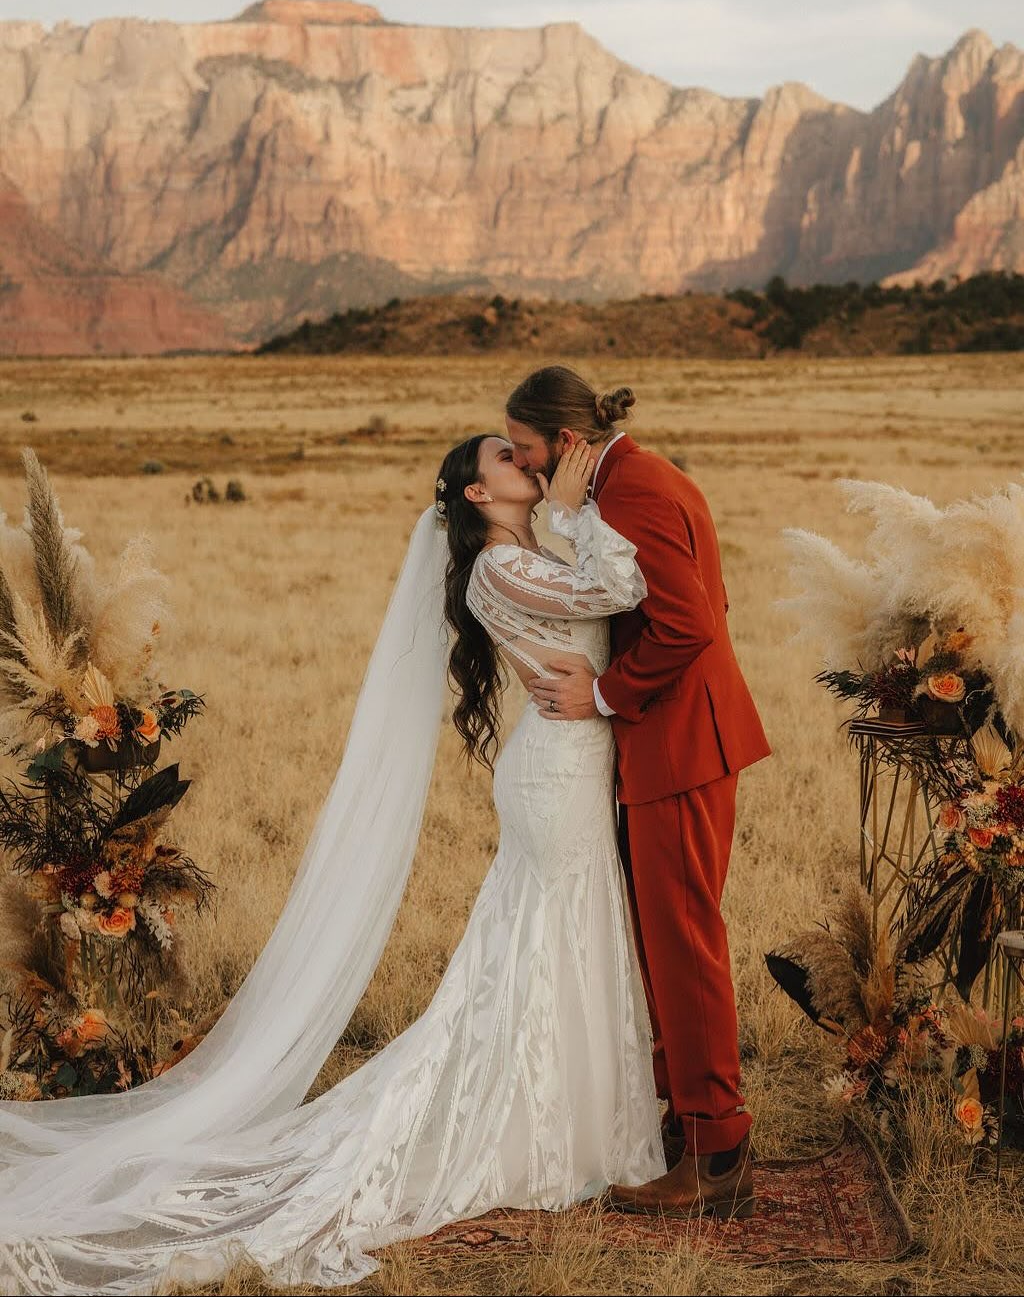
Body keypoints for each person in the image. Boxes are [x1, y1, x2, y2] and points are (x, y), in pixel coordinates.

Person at [0, 434, 666, 1296]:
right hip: (555, 776)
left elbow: (603, 598)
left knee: (560, 941)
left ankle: (579, 1117)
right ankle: (533, 1123)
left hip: (577, 764)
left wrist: (571, 520)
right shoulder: (498, 568)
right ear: (475, 495)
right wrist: (579, 508)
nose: (527, 460)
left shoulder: (537, 546)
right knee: (539, 948)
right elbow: (621, 585)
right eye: (507, 456)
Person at [505, 365, 771, 1219]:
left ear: (569, 444)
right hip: (682, 741)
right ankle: (685, 1117)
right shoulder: (633, 479)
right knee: (668, 942)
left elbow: (690, 622)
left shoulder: (632, 493)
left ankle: (717, 1150)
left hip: (680, 745)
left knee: (685, 945)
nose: (520, 468)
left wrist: (608, 693)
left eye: (525, 453)